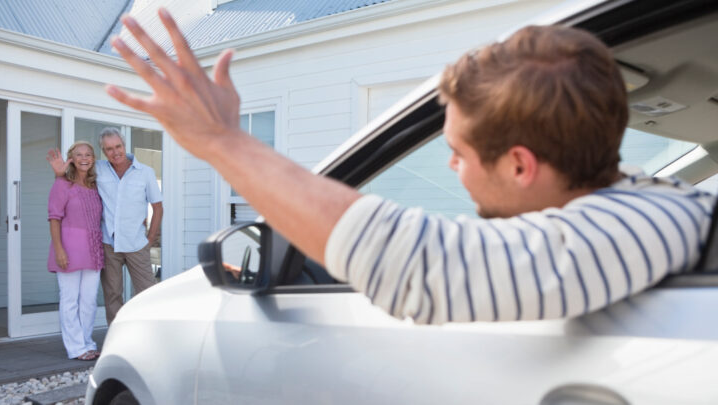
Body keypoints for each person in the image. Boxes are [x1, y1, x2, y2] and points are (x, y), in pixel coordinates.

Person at [105, 10, 714, 323]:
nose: (449, 165)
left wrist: (222, 142)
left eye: (459, 152)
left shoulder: (644, 223)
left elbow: (425, 268)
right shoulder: (641, 203)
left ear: (522, 165)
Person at [47, 129, 163, 324]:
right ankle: (118, 340)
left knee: (147, 293)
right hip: (108, 244)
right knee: (112, 296)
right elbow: (74, 183)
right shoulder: (98, 169)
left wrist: (150, 240)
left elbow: (158, 208)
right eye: (109, 149)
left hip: (136, 243)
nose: (115, 152)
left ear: (124, 145)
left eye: (118, 146)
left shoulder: (146, 173)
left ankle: (147, 336)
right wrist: (60, 174)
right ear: (103, 151)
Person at [48, 142, 103, 360]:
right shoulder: (62, 184)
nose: (84, 158)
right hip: (68, 248)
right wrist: (59, 250)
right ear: (71, 158)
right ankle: (76, 348)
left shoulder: (95, 186)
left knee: (89, 300)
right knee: (70, 299)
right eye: (78, 154)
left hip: (93, 249)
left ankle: (87, 343)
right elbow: (54, 218)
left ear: (93, 159)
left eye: (88, 154)